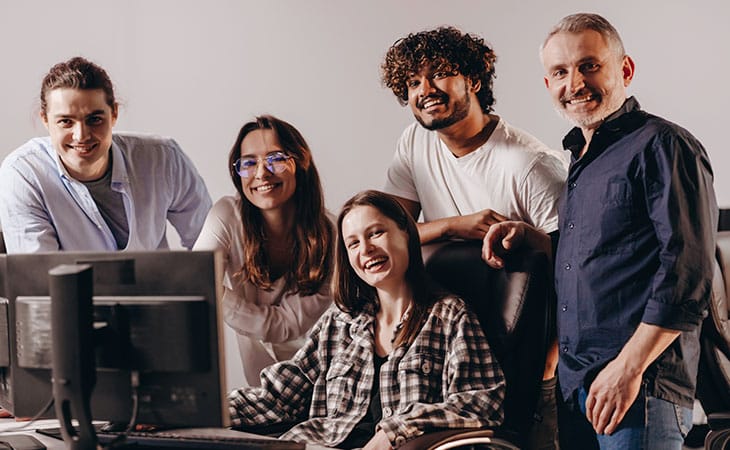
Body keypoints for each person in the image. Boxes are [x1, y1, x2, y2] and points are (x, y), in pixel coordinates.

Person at [484, 13, 717, 450]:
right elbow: (601, 254)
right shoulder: (578, 160)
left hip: (640, 388)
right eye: (560, 71)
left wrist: (627, 369)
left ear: (624, 69)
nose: (575, 83)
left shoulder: (663, 144)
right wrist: (534, 237)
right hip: (579, 391)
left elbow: (687, 273)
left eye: (589, 65)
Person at [381, 26, 567, 448]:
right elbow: (389, 232)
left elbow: (576, 272)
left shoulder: (529, 165)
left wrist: (547, 368)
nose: (425, 90)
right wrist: (452, 225)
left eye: (439, 74)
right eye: (412, 82)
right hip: (449, 349)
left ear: (474, 80)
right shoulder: (415, 143)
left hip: (531, 360)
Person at [229, 190, 505, 449]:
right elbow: (278, 397)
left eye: (376, 233)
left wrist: (396, 430)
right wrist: (201, 410)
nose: (366, 249)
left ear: (407, 234)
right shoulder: (339, 323)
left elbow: (480, 402)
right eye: (353, 243)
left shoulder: (449, 316)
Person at [0, 56, 211, 253]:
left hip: (158, 291)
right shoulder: (23, 175)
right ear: (45, 120)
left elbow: (213, 248)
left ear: (114, 114)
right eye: (66, 121)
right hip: (69, 294)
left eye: (94, 119)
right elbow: (39, 280)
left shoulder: (163, 159)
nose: (81, 135)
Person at [194, 115, 334, 387]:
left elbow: (285, 327)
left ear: (300, 163)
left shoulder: (330, 233)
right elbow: (192, 278)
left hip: (319, 386)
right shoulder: (227, 216)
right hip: (257, 389)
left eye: (276, 158)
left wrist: (217, 292)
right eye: (249, 163)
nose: (261, 173)